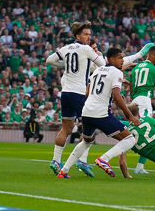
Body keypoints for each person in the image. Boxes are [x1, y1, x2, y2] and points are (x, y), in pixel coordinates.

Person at [46, 21, 153, 177]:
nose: (89, 38)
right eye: (86, 34)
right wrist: (125, 68)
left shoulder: (65, 49)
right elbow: (105, 65)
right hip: (82, 96)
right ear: (78, 35)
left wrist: (67, 64)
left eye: (90, 35)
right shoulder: (88, 51)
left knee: (68, 129)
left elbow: (49, 60)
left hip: (66, 93)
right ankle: (89, 160)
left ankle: (57, 162)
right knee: (124, 137)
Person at [57, 48, 140, 178]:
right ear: (111, 59)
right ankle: (104, 159)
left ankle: (64, 171)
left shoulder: (97, 70)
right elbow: (116, 95)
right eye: (120, 57)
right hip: (100, 113)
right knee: (129, 139)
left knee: (86, 141)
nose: (122, 60)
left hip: (86, 111)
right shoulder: (117, 72)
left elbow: (87, 92)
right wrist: (130, 116)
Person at [130, 46, 155, 174]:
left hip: (135, 100)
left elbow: (132, 89)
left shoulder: (136, 68)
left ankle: (138, 165)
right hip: (144, 100)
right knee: (147, 131)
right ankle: (139, 167)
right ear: (152, 54)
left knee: (135, 129)